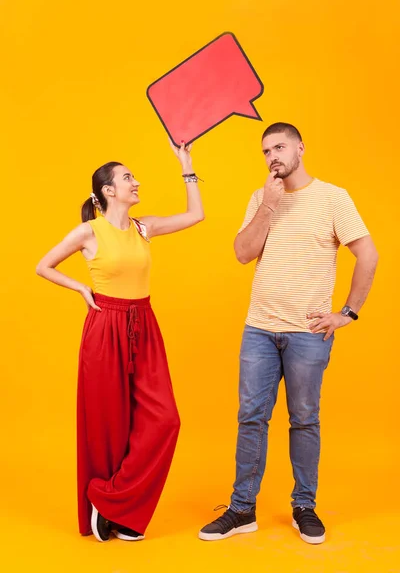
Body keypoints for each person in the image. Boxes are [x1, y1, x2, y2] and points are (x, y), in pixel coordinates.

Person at [199, 122, 378, 544]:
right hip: (259, 329)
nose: (272, 156)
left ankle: (304, 506)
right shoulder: (262, 198)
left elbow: (367, 254)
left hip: (307, 333)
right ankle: (242, 510)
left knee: (304, 420)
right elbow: (243, 254)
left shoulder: (334, 198)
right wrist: (267, 208)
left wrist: (346, 313)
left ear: (301, 148)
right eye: (266, 151)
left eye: (279, 147)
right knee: (250, 419)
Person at [36, 141, 204, 542]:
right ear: (108, 191)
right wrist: (80, 288)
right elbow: (43, 266)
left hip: (143, 324)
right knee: (109, 424)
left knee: (164, 419)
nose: (136, 182)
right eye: (128, 177)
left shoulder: (145, 227)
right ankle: (113, 516)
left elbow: (196, 214)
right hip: (105, 326)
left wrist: (187, 166)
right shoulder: (88, 231)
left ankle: (111, 499)